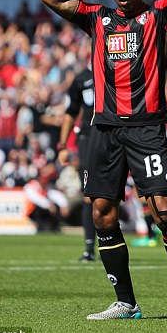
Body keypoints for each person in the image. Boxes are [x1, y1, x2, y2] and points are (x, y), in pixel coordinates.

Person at [39, 0, 167, 322]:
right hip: (105, 130)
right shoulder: (97, 19)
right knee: (102, 214)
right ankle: (126, 302)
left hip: (147, 129)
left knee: (163, 213)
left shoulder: (160, 16)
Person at [57, 64, 97, 262]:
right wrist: (63, 145)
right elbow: (71, 111)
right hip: (88, 138)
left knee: (112, 195)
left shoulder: (115, 66)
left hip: (115, 136)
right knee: (89, 194)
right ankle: (89, 248)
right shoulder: (81, 78)